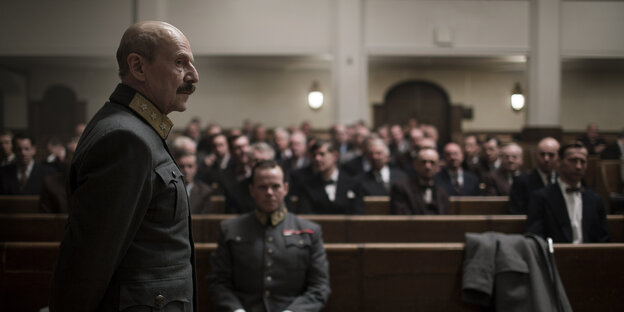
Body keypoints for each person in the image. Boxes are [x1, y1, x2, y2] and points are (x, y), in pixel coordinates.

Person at [50, 21, 199, 311]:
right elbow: (87, 264)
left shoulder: (137, 128)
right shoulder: (126, 138)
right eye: (180, 63)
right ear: (138, 67)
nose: (193, 75)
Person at [208, 160, 331, 312]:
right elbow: (219, 282)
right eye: (262, 187)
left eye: (275, 186)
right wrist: (236, 310)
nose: (269, 193)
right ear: (252, 191)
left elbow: (319, 287)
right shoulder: (230, 229)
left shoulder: (310, 231)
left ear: (286, 188)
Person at [526, 143, 609, 243]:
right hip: (554, 256)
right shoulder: (541, 197)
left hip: (590, 256)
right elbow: (535, 237)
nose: (578, 166)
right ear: (559, 162)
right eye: (573, 160)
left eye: (582, 161)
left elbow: (603, 238)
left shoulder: (595, 199)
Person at [295, 140, 364, 214]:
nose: (317, 159)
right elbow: (306, 215)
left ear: (335, 156)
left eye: (322, 154)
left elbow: (358, 215)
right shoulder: (306, 186)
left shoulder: (353, 184)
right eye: (314, 155)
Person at [509, 137, 560, 214]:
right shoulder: (521, 181)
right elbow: (516, 213)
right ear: (536, 155)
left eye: (551, 155)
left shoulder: (563, 180)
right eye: (542, 154)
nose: (546, 159)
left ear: (558, 157)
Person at [391, 148, 449, 215]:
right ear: (415, 165)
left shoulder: (442, 190)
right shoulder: (401, 188)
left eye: (432, 163)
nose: (428, 166)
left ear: (438, 167)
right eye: (423, 162)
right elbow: (401, 217)